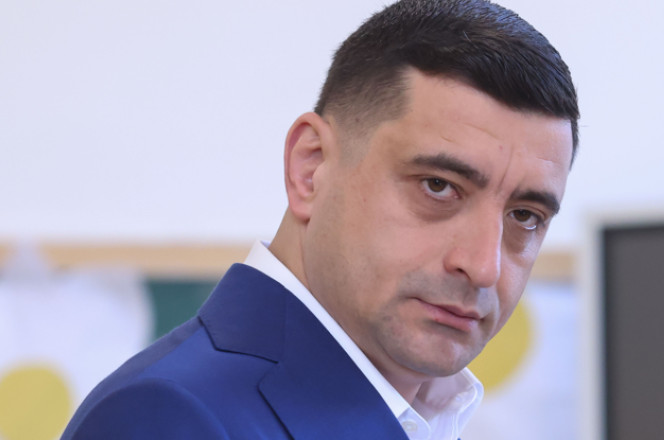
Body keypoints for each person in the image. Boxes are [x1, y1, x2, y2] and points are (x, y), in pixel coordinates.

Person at [61, 0, 579, 438]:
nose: (484, 266)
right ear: (310, 169)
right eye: (438, 186)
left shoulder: (417, 415)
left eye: (525, 216)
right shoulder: (170, 419)